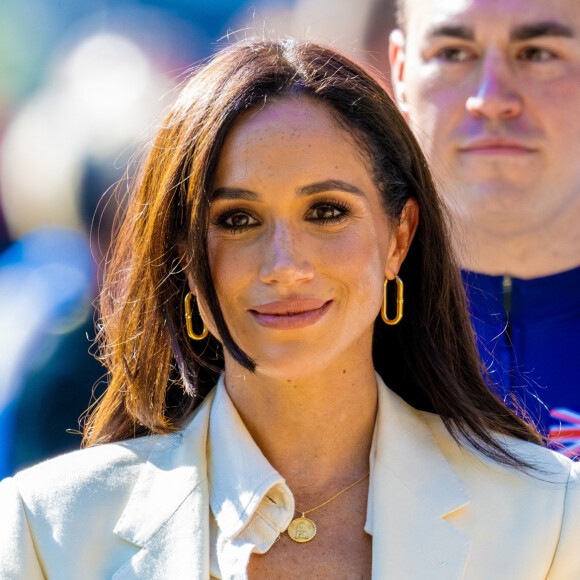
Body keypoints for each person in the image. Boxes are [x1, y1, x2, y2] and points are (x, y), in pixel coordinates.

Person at [1, 38, 579, 579]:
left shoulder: (548, 521)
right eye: (237, 220)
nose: (285, 264)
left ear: (399, 238)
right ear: (185, 259)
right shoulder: (44, 530)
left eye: (326, 212)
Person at [388, 0, 580, 454]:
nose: (492, 99)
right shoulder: (320, 312)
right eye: (453, 53)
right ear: (400, 73)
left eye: (537, 53)